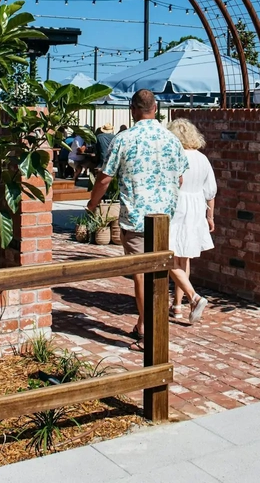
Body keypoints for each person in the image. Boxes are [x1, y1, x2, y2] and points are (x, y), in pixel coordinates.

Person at [87, 90, 188, 350]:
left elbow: (106, 177)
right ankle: (147, 325)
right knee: (160, 272)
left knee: (142, 274)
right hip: (164, 217)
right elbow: (180, 178)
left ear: (133, 109)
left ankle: (147, 333)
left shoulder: (123, 139)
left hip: (135, 216)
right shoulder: (172, 139)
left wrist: (92, 204)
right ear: (155, 108)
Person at [166, 119, 214, 323]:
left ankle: (192, 297)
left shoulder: (173, 157)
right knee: (184, 257)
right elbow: (211, 191)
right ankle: (177, 305)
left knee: (165, 256)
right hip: (196, 207)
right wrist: (210, 216)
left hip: (176, 206)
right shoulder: (202, 158)